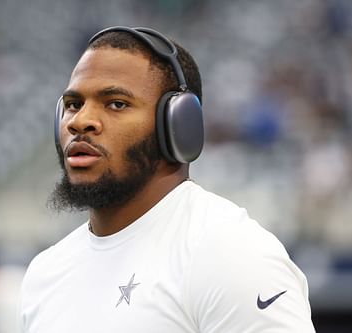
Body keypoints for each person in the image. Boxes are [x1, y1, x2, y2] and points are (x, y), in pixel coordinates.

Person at [19, 26, 315, 332]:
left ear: (178, 124)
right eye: (73, 104)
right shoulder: (45, 273)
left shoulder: (230, 253)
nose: (81, 121)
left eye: (116, 103)